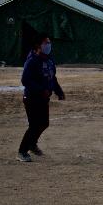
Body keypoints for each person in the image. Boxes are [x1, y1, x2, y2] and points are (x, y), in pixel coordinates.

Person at [18, 34, 64, 162]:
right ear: (38, 45)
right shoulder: (32, 60)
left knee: (44, 123)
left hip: (44, 98)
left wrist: (58, 91)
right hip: (32, 98)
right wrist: (40, 90)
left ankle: (32, 144)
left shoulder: (49, 60)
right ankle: (22, 152)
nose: (48, 45)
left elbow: (52, 77)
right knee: (34, 125)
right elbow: (25, 80)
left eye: (49, 42)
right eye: (46, 43)